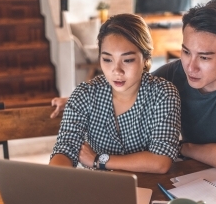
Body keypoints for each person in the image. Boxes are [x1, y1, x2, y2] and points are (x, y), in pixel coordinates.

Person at [51, 0, 216, 175]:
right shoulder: (173, 74)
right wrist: (75, 100)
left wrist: (181, 148)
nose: (190, 66)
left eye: (204, 58)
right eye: (186, 51)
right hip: (190, 173)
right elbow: (129, 85)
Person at [49, 13, 181, 174]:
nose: (116, 71)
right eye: (107, 59)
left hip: (150, 187)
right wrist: (53, 180)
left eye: (128, 60)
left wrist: (99, 160)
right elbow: (65, 149)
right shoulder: (84, 95)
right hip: (101, 189)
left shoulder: (163, 94)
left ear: (146, 58)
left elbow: (161, 161)